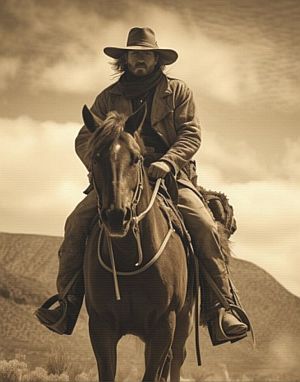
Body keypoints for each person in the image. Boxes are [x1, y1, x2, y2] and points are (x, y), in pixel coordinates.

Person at [35, 27, 248, 343]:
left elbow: (191, 133)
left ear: (156, 59)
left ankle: (222, 308)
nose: (139, 58)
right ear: (124, 59)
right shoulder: (108, 97)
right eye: (133, 53)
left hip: (170, 174)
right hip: (121, 177)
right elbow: (84, 138)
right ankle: (65, 303)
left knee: (203, 224)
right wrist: (103, 169)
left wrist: (168, 161)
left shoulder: (176, 92)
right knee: (77, 221)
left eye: (145, 54)